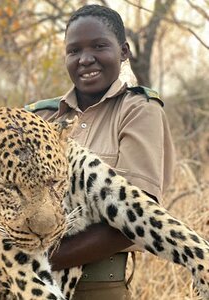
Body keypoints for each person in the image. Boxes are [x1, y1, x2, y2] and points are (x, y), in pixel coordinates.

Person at [25, 4, 175, 300]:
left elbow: (136, 218)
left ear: (124, 52)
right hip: (21, 288)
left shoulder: (139, 111)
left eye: (99, 46)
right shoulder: (39, 118)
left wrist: (32, 261)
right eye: (74, 51)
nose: (85, 59)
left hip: (96, 288)